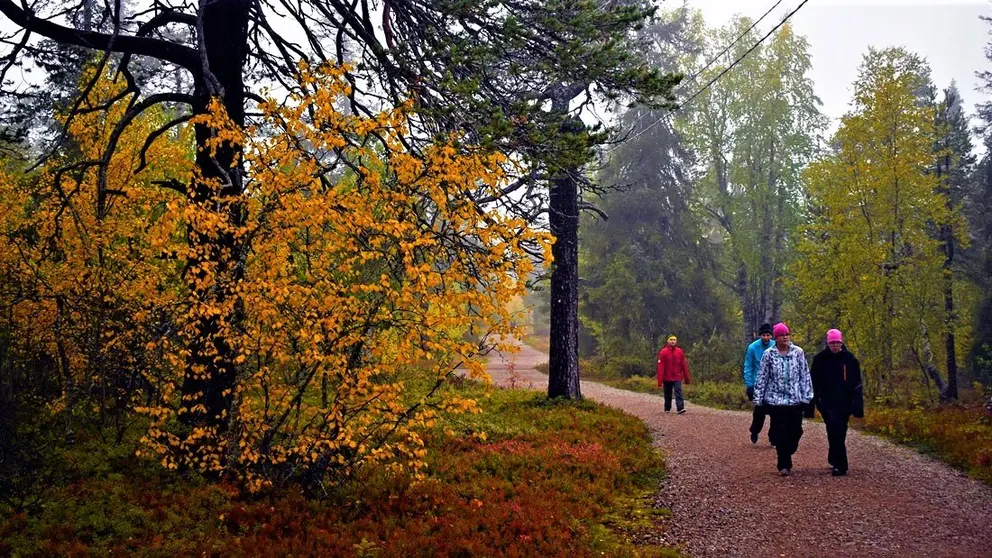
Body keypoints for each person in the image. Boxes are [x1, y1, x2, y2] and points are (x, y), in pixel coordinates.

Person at [753, 322, 813, 476]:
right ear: (776, 337)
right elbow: (762, 376)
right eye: (782, 335)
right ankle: (783, 464)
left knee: (796, 431)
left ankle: (789, 450)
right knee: (780, 433)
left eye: (787, 334)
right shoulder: (769, 354)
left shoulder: (798, 352)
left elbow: (805, 375)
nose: (785, 337)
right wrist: (758, 399)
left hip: (795, 400)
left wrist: (807, 397)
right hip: (776, 400)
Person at [810, 328, 864, 476]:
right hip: (826, 402)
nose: (835, 346)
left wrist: (857, 405)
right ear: (828, 343)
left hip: (845, 402)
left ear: (841, 343)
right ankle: (841, 465)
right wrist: (813, 403)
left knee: (840, 430)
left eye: (837, 343)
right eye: (832, 343)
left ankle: (834, 456)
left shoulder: (850, 359)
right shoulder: (820, 359)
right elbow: (813, 382)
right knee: (834, 427)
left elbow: (857, 384)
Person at [743, 323, 776, 445]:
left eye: (768, 335)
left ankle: (774, 437)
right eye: (763, 335)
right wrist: (750, 385)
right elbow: (748, 366)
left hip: (773, 385)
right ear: (759, 335)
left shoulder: (775, 346)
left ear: (771, 336)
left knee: (775, 412)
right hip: (759, 384)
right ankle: (755, 430)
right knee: (759, 412)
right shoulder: (752, 348)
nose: (766, 337)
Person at [657, 335, 691, 414]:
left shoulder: (679, 351)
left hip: (677, 376)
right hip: (667, 377)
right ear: (668, 341)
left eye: (674, 340)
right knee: (667, 393)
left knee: (678, 390)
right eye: (671, 340)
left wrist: (687, 378)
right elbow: (661, 367)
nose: (673, 341)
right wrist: (660, 381)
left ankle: (680, 408)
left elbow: (684, 365)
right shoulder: (663, 352)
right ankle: (667, 408)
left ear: (676, 341)